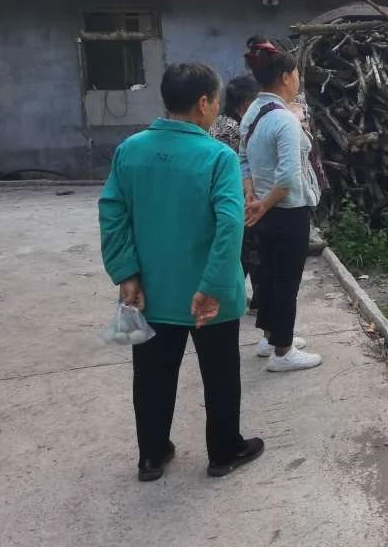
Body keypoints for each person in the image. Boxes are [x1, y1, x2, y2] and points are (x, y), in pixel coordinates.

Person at [98, 62, 264, 481]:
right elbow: (230, 224)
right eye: (216, 100)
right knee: (220, 374)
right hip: (210, 296)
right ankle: (223, 451)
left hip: (151, 291)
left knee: (151, 376)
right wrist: (212, 286)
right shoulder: (218, 156)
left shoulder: (130, 150)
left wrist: (126, 273)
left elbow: (112, 213)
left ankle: (152, 455)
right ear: (204, 103)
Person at [241, 38, 323, 372]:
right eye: (297, 74)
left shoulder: (252, 112)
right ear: (286, 77)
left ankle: (270, 338)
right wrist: (264, 203)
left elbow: (243, 159)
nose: (298, 80)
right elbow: (288, 177)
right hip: (288, 210)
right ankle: (283, 352)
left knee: (269, 276)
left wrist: (253, 197)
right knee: (286, 282)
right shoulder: (285, 120)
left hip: (263, 208)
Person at [210, 75, 262, 311]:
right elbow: (242, 164)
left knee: (240, 248)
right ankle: (246, 298)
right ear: (246, 103)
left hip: (221, 194)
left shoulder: (219, 122)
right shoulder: (237, 128)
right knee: (248, 249)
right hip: (236, 194)